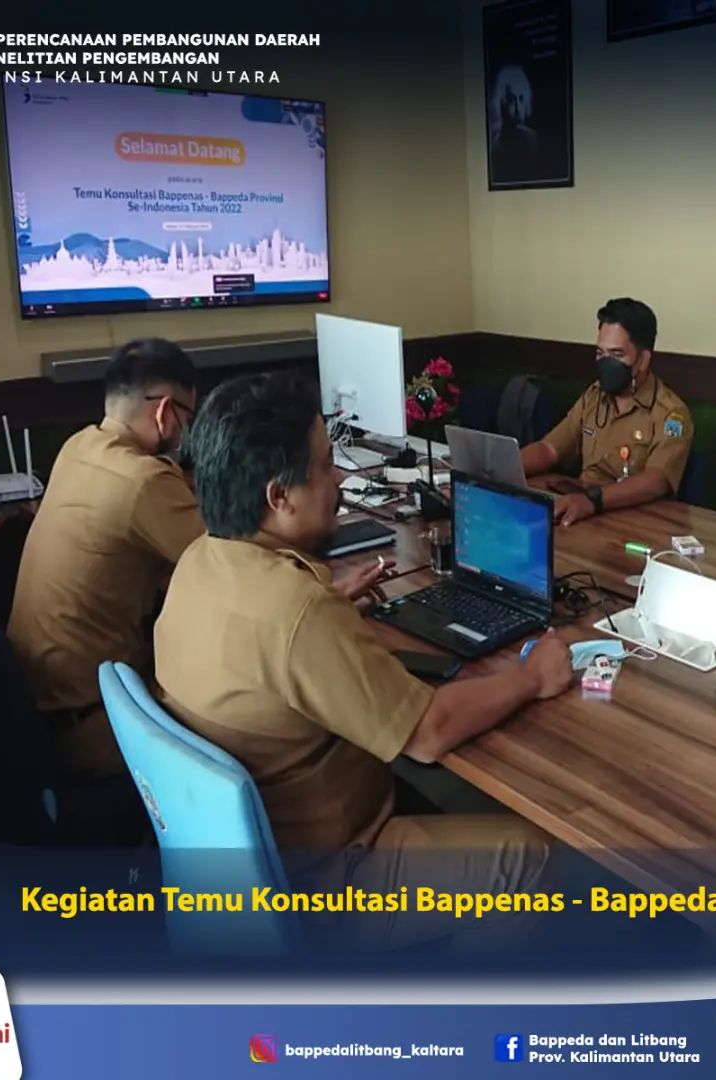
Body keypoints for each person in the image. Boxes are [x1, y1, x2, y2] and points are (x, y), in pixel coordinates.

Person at [154, 371, 573, 948]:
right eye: (326, 467)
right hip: (322, 884)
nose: (340, 482)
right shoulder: (296, 611)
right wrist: (531, 676)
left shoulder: (199, 561)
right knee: (529, 857)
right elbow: (427, 733)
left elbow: (273, 639)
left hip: (233, 874)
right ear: (279, 497)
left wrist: (323, 608)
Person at [8, 338, 203, 781]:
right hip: (95, 724)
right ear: (165, 411)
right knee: (249, 711)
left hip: (36, 707)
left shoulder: (77, 447)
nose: (186, 432)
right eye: (189, 418)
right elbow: (233, 570)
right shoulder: (144, 480)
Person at [520, 298, 694, 525]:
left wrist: (594, 500)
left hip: (635, 522)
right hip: (583, 513)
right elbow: (550, 448)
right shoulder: (594, 397)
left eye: (617, 354)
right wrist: (500, 470)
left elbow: (656, 480)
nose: (605, 363)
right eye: (600, 353)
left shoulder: (670, 413)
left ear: (643, 360)